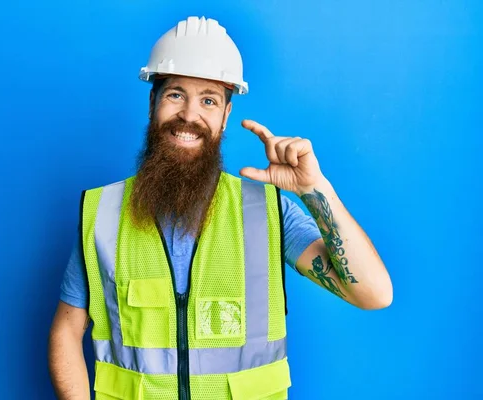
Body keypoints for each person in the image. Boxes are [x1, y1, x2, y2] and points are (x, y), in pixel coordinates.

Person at [48, 16, 392, 400]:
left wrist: (315, 189)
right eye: (176, 94)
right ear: (153, 103)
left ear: (226, 116)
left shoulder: (267, 213)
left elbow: (374, 294)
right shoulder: (103, 213)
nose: (189, 116)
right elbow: (66, 330)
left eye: (208, 100)